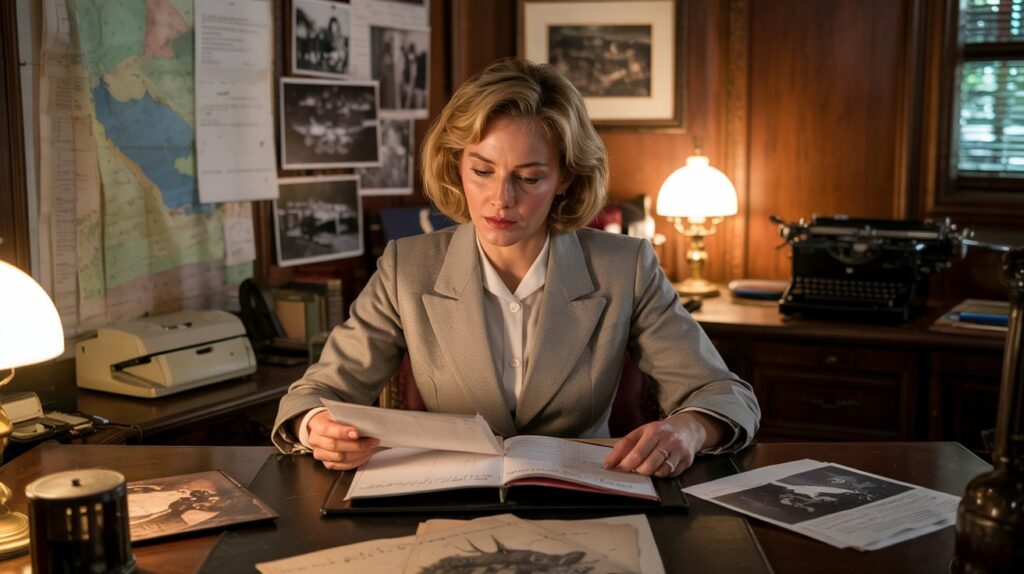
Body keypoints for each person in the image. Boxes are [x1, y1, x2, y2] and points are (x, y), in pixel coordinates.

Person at [272, 58, 760, 478]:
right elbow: (315, 393)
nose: (500, 200)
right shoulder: (408, 267)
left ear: (566, 178)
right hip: (448, 503)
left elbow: (722, 392)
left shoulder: (624, 267)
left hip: (584, 504)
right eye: (482, 171)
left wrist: (690, 427)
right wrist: (317, 425)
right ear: (456, 163)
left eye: (528, 178)